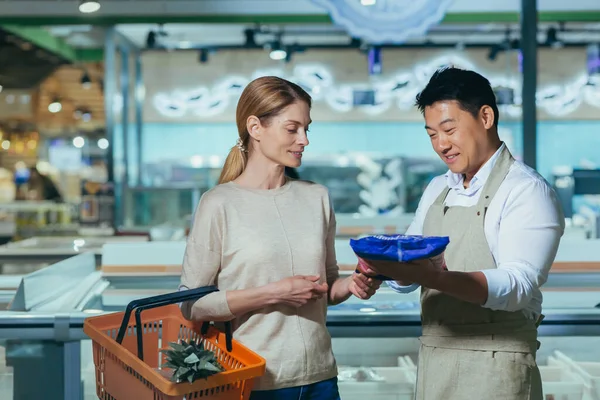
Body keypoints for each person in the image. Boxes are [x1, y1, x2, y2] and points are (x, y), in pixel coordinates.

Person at [357, 67, 564, 400]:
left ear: (485, 117)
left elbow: (518, 287)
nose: (441, 144)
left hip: (498, 366)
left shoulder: (525, 190)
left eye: (449, 130)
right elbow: (410, 264)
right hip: (435, 360)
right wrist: (381, 271)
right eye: (431, 134)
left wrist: (435, 277)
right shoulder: (438, 188)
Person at [179, 76, 381, 400]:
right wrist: (273, 293)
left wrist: (353, 284)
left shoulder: (318, 197)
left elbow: (327, 285)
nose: (304, 139)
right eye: (292, 129)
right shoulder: (218, 203)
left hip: (321, 378)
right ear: (255, 128)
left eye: (306, 129)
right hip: (252, 382)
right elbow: (191, 304)